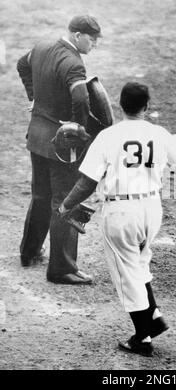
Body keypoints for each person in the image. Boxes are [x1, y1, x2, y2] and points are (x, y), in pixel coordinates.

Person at [58, 82, 176, 356]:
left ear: (120, 105)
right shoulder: (159, 133)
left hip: (121, 212)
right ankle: (154, 318)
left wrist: (65, 205)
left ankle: (142, 337)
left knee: (127, 274)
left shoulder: (108, 136)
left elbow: (88, 182)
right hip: (152, 209)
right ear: (147, 106)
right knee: (138, 262)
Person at [16, 15, 102, 284]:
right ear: (77, 35)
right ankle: (62, 268)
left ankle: (29, 252)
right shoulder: (73, 62)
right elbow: (80, 98)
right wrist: (79, 129)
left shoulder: (42, 46)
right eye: (92, 38)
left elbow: (22, 65)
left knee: (41, 195)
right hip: (61, 145)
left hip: (37, 136)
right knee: (65, 200)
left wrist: (34, 97)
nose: (94, 44)